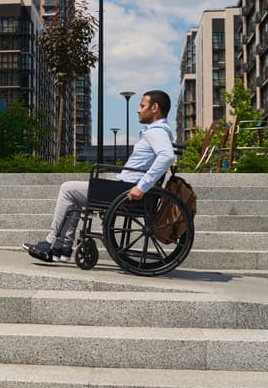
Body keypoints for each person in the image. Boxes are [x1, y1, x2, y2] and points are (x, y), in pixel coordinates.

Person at [23, 90, 176, 263]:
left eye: (142, 105)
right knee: (73, 195)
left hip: (125, 190)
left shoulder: (157, 131)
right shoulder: (158, 131)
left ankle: (53, 243)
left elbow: (167, 156)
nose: (138, 110)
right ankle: (62, 248)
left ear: (155, 107)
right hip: (123, 187)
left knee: (68, 189)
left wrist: (141, 187)